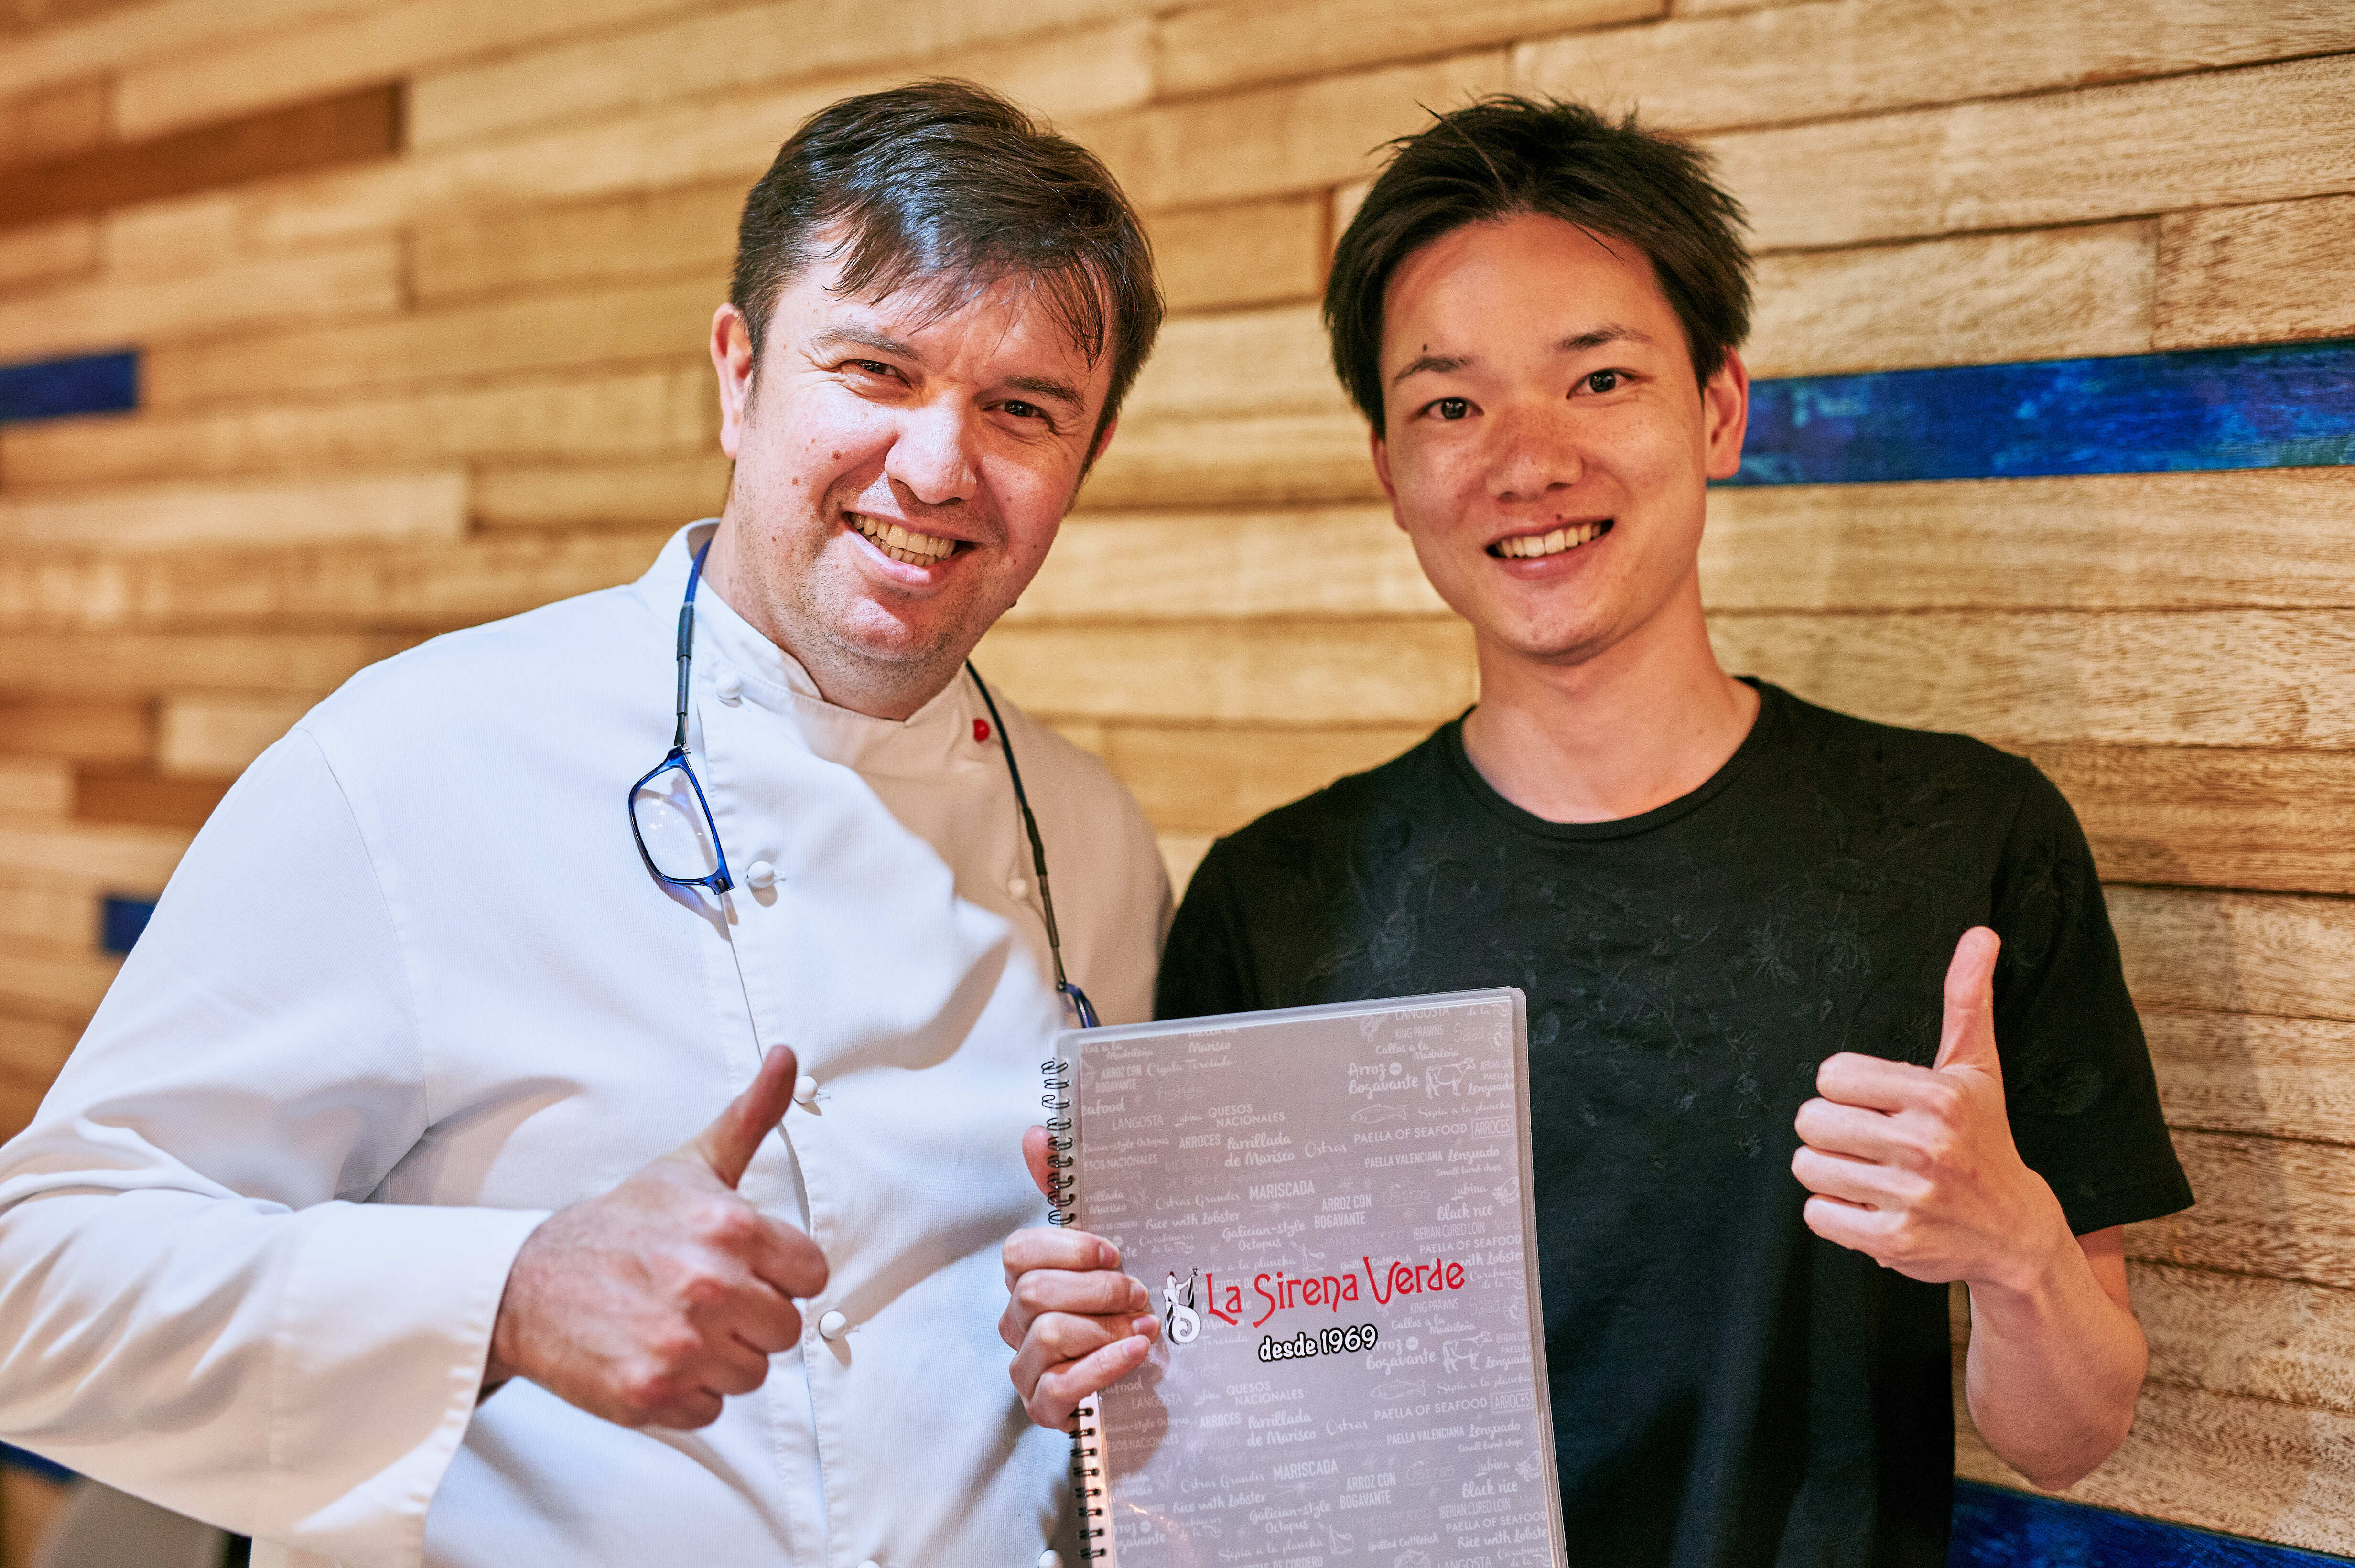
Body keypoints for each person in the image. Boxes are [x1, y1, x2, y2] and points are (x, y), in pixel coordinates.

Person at [1001, 97, 2192, 1567]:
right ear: (1389, 472)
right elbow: (1239, 1418)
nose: (1528, 460)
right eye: (1450, 406)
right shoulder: (1278, 896)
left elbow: (2070, 1430)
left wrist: (2015, 1251)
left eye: (1601, 379)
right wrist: (1105, 1373)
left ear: (1719, 410)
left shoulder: (1961, 839)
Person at [0, 81, 1169, 1568]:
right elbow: (36, 1287)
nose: (940, 467)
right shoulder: (413, 764)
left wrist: (1105, 1362)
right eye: (877, 370)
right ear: (739, 376)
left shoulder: (1096, 840)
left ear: (1088, 457)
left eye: (1023, 410)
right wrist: (506, 1296)